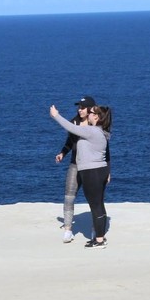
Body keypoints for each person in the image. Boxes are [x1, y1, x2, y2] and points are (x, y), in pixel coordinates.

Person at [50, 102, 112, 248]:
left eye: (92, 113)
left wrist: (56, 116)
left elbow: (70, 127)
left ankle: (99, 240)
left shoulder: (92, 131)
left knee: (95, 206)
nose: (89, 114)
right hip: (99, 170)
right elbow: (72, 138)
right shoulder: (100, 131)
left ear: (96, 118)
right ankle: (99, 237)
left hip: (92, 172)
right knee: (98, 205)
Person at [54, 96, 95, 243]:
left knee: (93, 199)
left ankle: (95, 229)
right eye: (78, 107)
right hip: (75, 164)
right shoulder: (74, 122)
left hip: (91, 166)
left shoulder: (95, 124)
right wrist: (62, 153)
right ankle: (67, 230)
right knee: (69, 197)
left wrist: (107, 170)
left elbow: (104, 147)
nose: (79, 109)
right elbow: (70, 142)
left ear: (90, 109)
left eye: (82, 107)